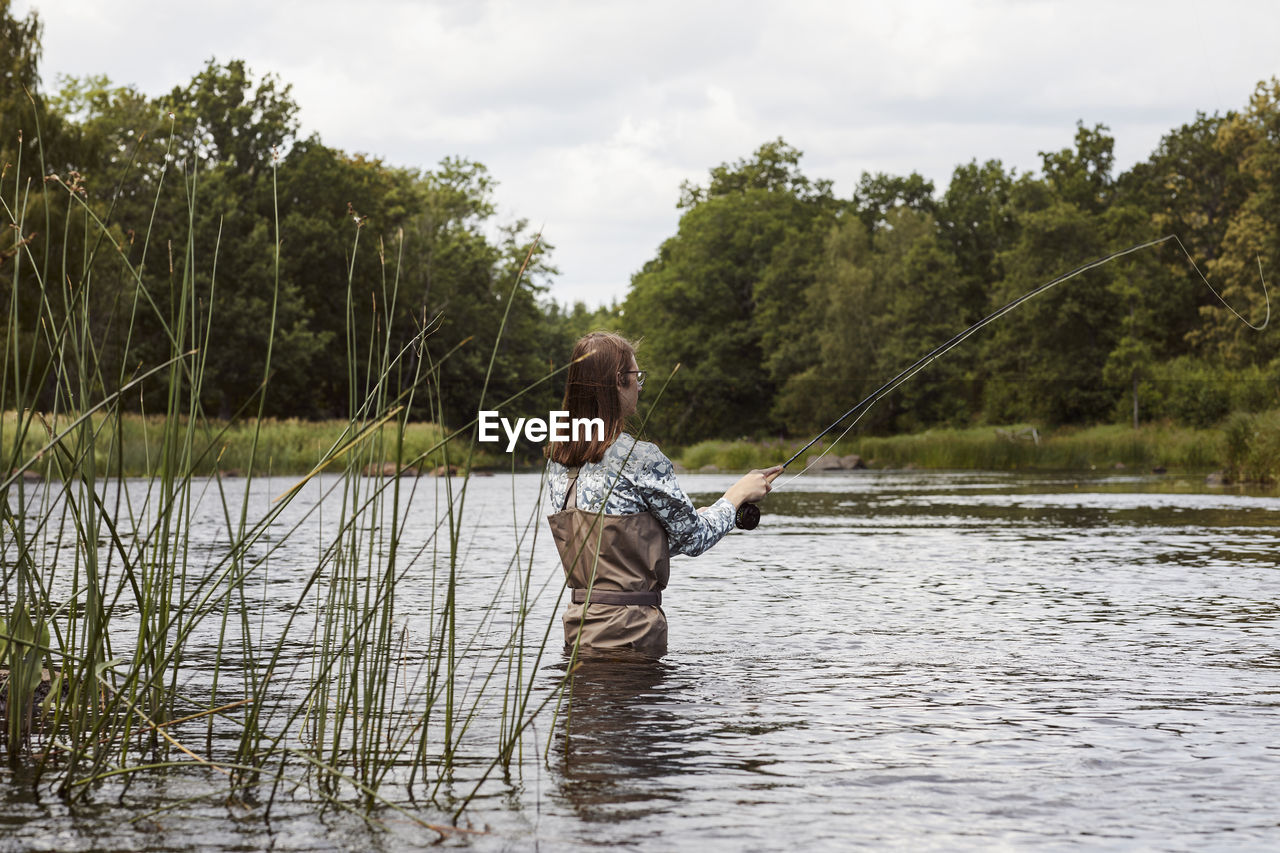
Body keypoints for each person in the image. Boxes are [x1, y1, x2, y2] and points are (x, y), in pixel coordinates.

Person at [545, 331, 780, 657]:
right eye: (636, 377)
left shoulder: (559, 462)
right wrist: (736, 496)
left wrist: (663, 527)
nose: (640, 387)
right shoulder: (641, 458)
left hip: (580, 630)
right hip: (633, 633)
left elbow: (623, 548)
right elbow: (694, 538)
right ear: (618, 382)